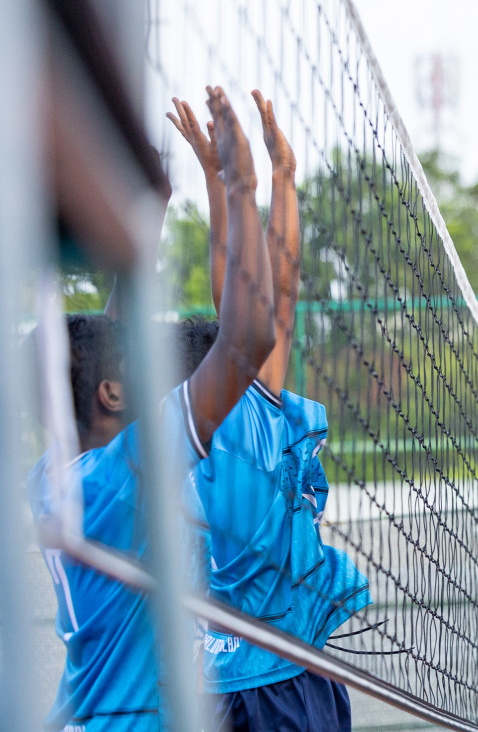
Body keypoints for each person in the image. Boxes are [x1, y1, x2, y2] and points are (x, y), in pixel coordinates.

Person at [28, 86, 277, 732]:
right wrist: (241, 190)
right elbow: (249, 339)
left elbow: (105, 348)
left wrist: (150, 218)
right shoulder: (124, 472)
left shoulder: (58, 473)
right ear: (112, 393)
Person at [169, 91, 369, 730]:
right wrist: (239, 180)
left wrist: (256, 181)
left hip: (278, 673)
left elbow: (263, 290)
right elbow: (253, 294)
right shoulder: (185, 434)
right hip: (225, 677)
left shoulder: (246, 411)